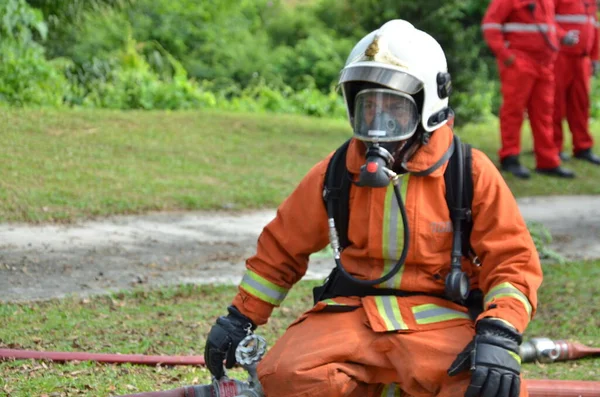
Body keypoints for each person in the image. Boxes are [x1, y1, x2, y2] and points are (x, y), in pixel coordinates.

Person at [204, 20, 542, 397]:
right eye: (369, 107)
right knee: (281, 378)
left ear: (428, 105)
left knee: (489, 388)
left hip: (441, 323)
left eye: (394, 108)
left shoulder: (467, 171)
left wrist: (499, 332)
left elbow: (513, 262)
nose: (379, 121)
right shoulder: (336, 172)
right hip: (351, 317)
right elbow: (281, 249)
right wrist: (240, 317)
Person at [482, 0, 576, 179]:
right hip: (520, 63)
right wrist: (506, 56)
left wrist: (563, 36)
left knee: (544, 115)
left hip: (544, 65)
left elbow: (547, 25)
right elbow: (490, 25)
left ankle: (548, 162)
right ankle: (510, 158)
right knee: (513, 112)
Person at [553, 0, 600, 165]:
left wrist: (595, 56)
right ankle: (553, 148)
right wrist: (562, 36)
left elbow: (594, 26)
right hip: (560, 56)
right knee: (555, 104)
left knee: (581, 105)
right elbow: (546, 20)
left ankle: (583, 147)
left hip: (582, 60)